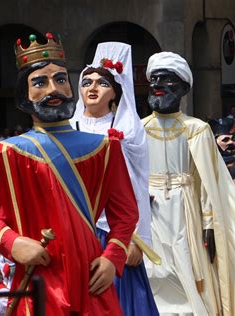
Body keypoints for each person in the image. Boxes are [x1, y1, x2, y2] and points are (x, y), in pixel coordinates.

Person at [0, 32, 138, 315]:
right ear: (24, 94)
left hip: (91, 278)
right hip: (39, 277)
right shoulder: (2, 153)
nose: (54, 89)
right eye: (40, 82)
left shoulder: (104, 148)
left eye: (61, 79)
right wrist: (12, 241)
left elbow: (125, 214)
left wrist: (113, 256)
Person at [143, 52, 235, 315]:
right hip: (149, 211)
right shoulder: (138, 128)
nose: (159, 85)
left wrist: (209, 222)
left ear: (184, 88)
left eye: (167, 79)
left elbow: (207, 181)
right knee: (154, 269)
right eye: (155, 79)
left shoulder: (196, 128)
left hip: (185, 211)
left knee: (186, 267)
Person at [70, 42, 157, 316]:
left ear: (115, 93)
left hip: (114, 233)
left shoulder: (128, 132)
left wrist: (138, 239)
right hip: (73, 230)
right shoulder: (67, 129)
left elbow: (138, 186)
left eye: (102, 83)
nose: (92, 88)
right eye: (87, 82)